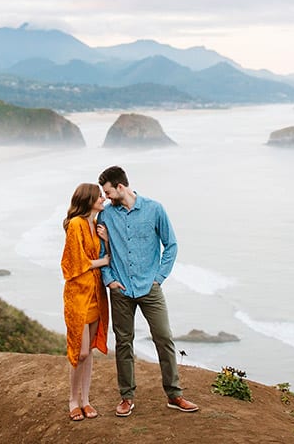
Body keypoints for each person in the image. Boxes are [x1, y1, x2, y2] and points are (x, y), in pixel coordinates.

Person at [95, 165, 199, 417]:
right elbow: (100, 252)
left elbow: (171, 245)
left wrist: (159, 278)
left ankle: (174, 394)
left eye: (108, 192)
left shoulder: (155, 209)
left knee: (164, 338)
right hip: (120, 289)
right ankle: (126, 397)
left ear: (120, 187)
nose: (106, 197)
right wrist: (109, 280)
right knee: (123, 343)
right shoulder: (106, 216)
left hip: (149, 288)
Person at [61, 183, 111, 422]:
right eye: (99, 196)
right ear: (88, 199)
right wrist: (103, 261)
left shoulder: (96, 223)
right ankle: (73, 400)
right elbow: (74, 263)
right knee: (80, 352)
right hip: (78, 295)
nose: (103, 198)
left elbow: (104, 255)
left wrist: (107, 240)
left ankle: (86, 400)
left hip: (96, 294)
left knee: (89, 351)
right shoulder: (76, 224)